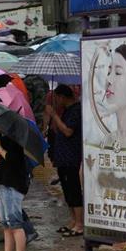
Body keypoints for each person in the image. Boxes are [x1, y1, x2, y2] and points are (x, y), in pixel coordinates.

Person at [45, 85, 84, 237]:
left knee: (73, 189)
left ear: (62, 97)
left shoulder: (76, 110)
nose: (56, 102)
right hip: (62, 157)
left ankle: (79, 224)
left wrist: (54, 115)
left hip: (71, 156)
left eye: (57, 98)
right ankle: (73, 221)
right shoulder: (66, 110)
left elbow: (68, 131)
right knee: (67, 190)